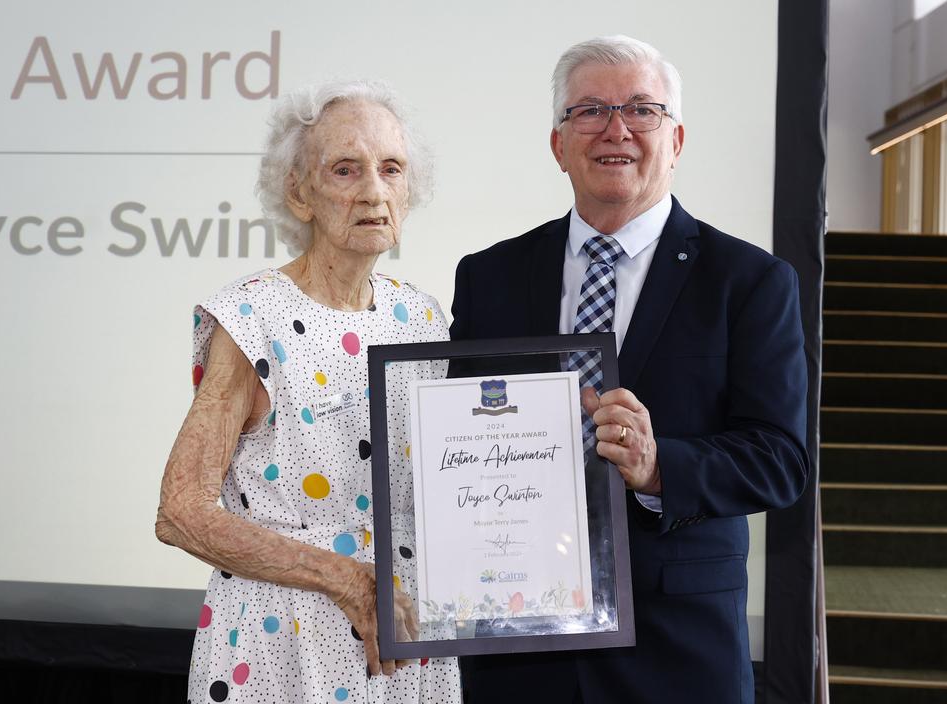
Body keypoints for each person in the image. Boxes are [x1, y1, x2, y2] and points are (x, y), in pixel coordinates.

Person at [451, 36, 809, 703]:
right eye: (589, 111)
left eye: (641, 110)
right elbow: (460, 446)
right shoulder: (488, 276)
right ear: (559, 144)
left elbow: (781, 458)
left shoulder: (750, 281)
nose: (616, 129)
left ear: (676, 139)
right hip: (518, 652)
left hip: (677, 650)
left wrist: (657, 466)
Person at [156, 80, 461, 704]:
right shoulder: (252, 317)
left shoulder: (426, 321)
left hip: (403, 636)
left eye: (391, 169)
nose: (375, 191)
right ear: (299, 192)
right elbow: (180, 512)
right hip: (282, 639)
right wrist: (346, 580)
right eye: (346, 170)